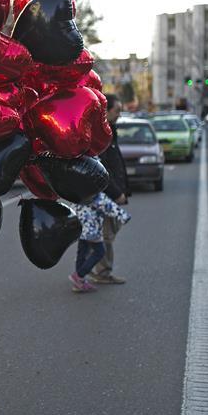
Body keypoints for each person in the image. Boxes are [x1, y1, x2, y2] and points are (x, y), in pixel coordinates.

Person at [88, 94, 130, 285]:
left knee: (109, 229)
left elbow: (115, 164)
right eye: (117, 110)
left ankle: (93, 267)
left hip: (109, 194)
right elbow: (102, 169)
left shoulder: (109, 131)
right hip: (103, 195)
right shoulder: (100, 135)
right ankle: (101, 271)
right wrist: (116, 192)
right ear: (105, 111)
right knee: (106, 234)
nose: (119, 114)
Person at [71, 191, 131, 293]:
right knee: (100, 252)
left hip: (81, 228)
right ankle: (79, 275)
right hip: (93, 230)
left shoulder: (78, 194)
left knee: (82, 253)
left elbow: (73, 208)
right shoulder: (97, 195)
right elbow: (109, 207)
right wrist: (124, 216)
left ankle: (79, 283)